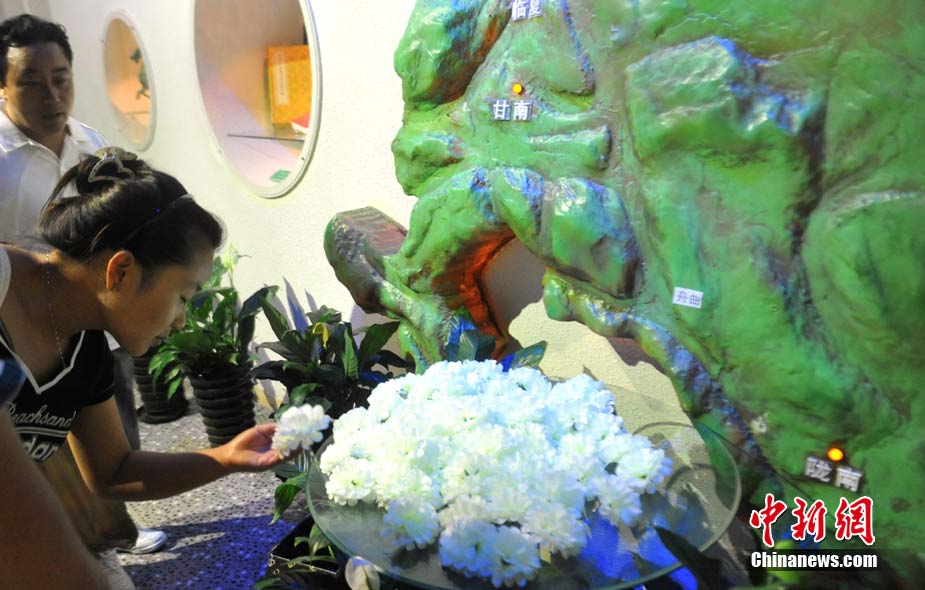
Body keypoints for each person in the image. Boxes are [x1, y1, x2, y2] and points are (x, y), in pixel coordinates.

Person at [0, 149, 283, 589]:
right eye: (183, 297)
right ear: (121, 271)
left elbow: (114, 471)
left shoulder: (86, 347)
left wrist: (225, 458)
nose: (181, 321)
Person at [0, 12, 167, 560]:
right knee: (38, 448)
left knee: (113, 422)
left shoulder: (92, 145)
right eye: (31, 81)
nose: (51, 95)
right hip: (21, 340)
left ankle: (118, 525)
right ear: (3, 86)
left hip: (95, 322)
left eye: (61, 78)